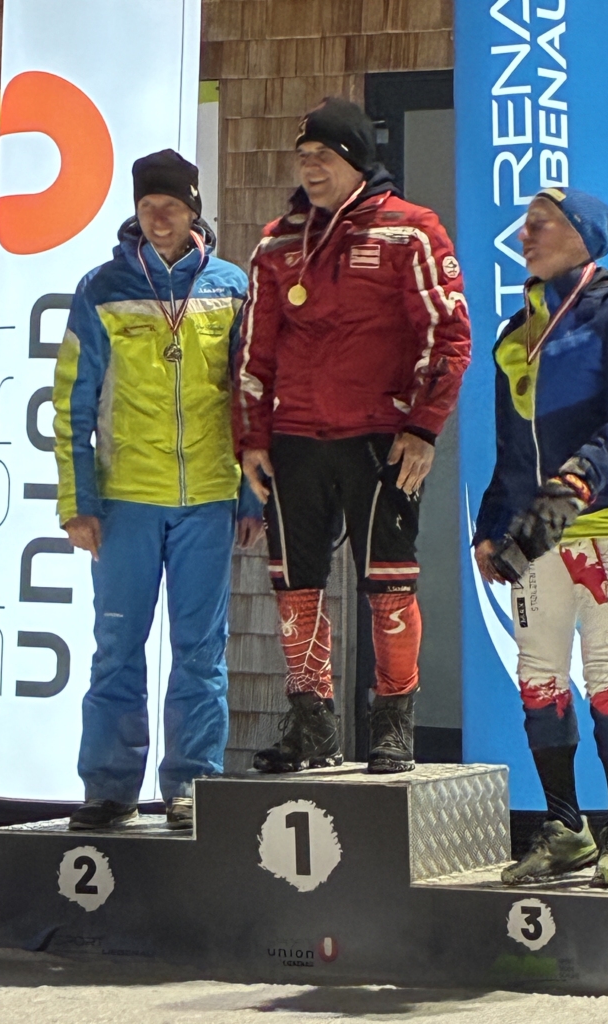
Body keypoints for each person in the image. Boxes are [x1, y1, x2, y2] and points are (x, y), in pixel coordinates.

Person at [235, 97, 471, 774]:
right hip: (293, 439)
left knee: (389, 584)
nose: (311, 168)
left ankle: (393, 726)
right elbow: (253, 352)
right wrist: (252, 440)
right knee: (294, 584)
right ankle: (312, 725)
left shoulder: (411, 231)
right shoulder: (277, 243)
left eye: (325, 157)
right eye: (303, 157)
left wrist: (423, 428)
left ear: (358, 160)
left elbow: (449, 336)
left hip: (381, 438)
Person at [53, 149, 263, 832]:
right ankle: (109, 787)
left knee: (201, 651)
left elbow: (250, 399)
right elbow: (71, 402)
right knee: (117, 646)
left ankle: (192, 786)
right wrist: (77, 502)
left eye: (171, 205)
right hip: (125, 501)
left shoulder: (231, 287)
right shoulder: (102, 288)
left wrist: (252, 497)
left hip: (209, 497)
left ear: (194, 209)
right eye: (148, 206)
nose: (159, 217)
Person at [473, 188, 608, 887]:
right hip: (534, 530)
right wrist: (493, 525)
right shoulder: (517, 329)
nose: (525, 235)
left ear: (583, 236)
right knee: (538, 676)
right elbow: (511, 448)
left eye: (541, 224)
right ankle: (566, 829)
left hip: (607, 523)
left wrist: (578, 481)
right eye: (524, 224)